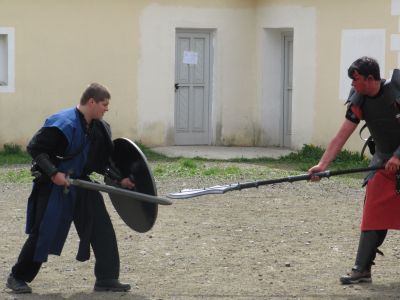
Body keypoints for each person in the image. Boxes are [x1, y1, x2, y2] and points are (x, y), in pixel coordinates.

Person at [6, 83, 134, 293]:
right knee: (43, 233)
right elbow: (35, 148)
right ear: (91, 102)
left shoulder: (98, 128)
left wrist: (120, 180)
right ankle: (17, 276)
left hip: (81, 183)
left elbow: (101, 162)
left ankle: (106, 279)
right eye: (104, 104)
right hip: (53, 185)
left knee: (102, 228)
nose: (106, 109)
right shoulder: (63, 123)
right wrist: (54, 173)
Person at [308, 56, 400, 284]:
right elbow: (342, 135)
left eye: (355, 79)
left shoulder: (397, 92)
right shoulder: (360, 101)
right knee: (373, 214)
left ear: (371, 79)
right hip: (382, 163)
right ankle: (362, 269)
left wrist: (399, 156)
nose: (352, 84)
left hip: (397, 157)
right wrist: (323, 165)